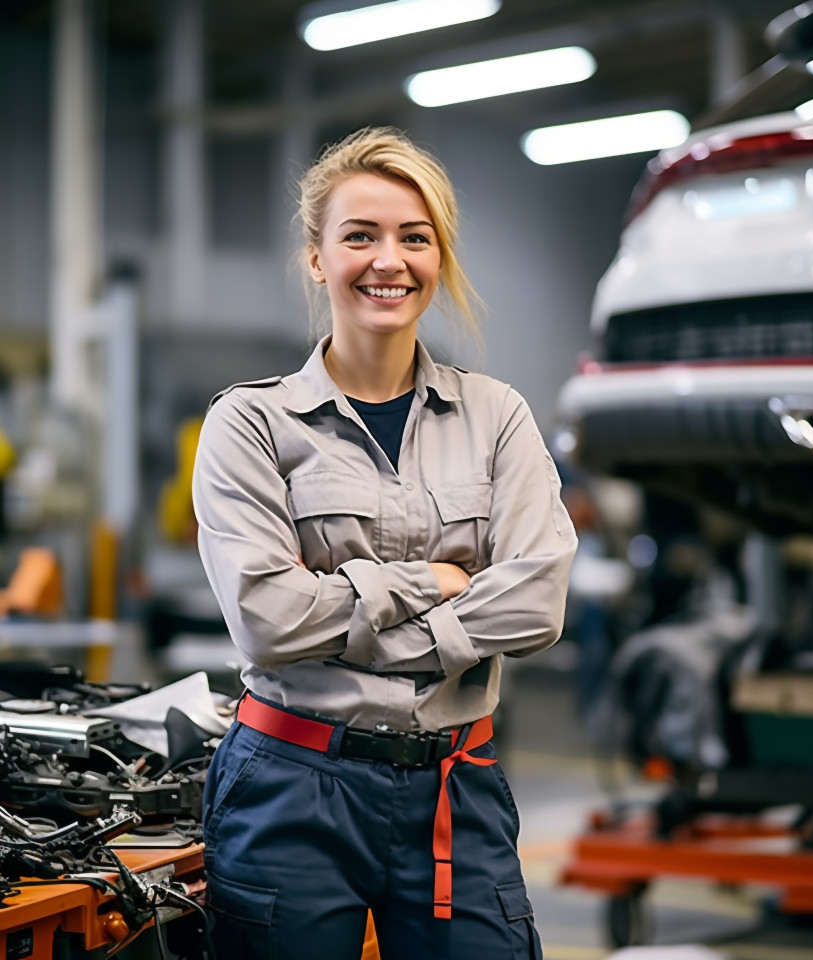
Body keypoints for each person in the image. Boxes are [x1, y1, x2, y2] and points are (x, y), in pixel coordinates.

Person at [192, 126, 578, 960]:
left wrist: (352, 605)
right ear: (316, 258)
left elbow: (538, 599)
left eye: (414, 237)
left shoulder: (495, 415)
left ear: (439, 257)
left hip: (454, 787)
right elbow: (266, 619)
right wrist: (438, 582)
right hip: (293, 787)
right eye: (359, 236)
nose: (388, 260)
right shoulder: (251, 421)